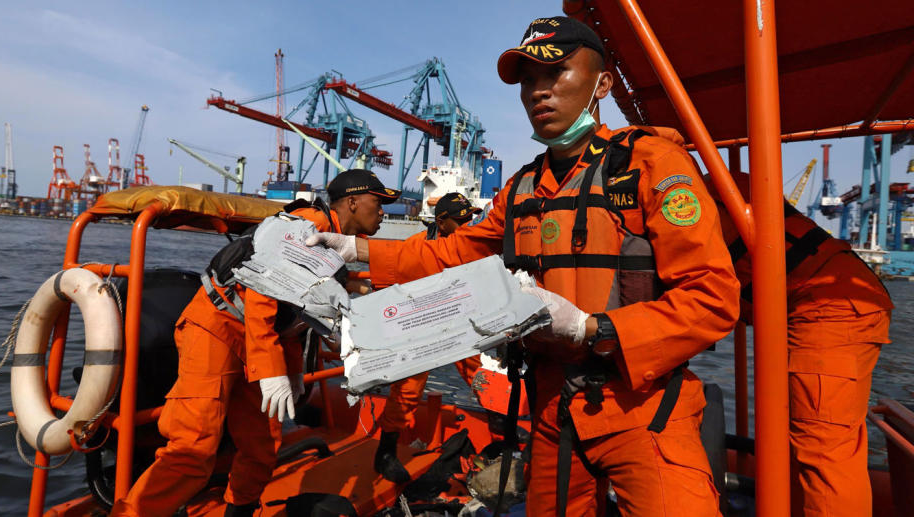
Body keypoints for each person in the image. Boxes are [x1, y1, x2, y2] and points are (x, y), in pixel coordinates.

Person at [308, 16, 739, 517]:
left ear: (602, 84)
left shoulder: (651, 164)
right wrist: (356, 250)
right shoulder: (521, 189)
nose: (539, 92)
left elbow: (712, 299)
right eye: (528, 80)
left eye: (555, 75)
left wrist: (590, 327)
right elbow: (446, 254)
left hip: (644, 407)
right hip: (552, 412)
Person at [111, 169, 400, 517]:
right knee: (193, 446)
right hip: (217, 326)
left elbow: (293, 318)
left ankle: (240, 510)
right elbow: (264, 293)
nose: (383, 211)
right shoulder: (305, 227)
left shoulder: (331, 248)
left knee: (262, 446)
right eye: (378, 202)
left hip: (261, 339)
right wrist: (272, 371)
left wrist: (290, 372)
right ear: (353, 202)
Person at [709, 172, 892, 517]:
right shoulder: (719, 185)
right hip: (819, 302)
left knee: (823, 449)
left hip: (827, 307)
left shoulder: (681, 198)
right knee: (807, 441)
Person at [373, 192, 484, 483]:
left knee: (481, 373)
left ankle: (500, 427)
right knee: (408, 388)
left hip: (459, 320)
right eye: (460, 220)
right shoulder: (414, 247)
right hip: (420, 324)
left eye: (469, 218)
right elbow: (388, 285)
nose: (468, 224)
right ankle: (385, 452)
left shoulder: (470, 244)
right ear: (441, 221)